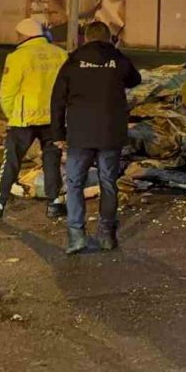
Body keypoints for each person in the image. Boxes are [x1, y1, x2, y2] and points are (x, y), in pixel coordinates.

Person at [51, 21, 142, 255]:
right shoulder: (117, 59)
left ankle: (75, 236)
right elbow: (135, 79)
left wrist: (58, 134)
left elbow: (57, 100)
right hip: (110, 133)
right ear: (109, 38)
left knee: (74, 184)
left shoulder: (72, 62)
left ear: (86, 38)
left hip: (80, 133)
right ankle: (106, 236)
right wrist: (116, 50)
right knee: (108, 183)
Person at [0, 19, 68, 219]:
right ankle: (55, 203)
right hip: (53, 118)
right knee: (52, 160)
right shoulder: (60, 54)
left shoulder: (18, 57)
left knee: (11, 160)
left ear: (24, 35)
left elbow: (6, 92)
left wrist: (11, 115)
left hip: (24, 119)